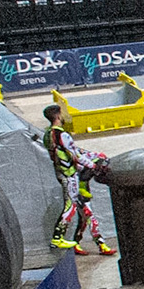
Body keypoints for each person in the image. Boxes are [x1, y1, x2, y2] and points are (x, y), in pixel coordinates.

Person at [42, 104, 113, 255]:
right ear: (58, 116)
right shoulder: (62, 135)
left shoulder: (47, 134)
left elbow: (74, 152)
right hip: (70, 175)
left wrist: (93, 156)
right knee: (71, 206)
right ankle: (58, 237)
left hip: (62, 173)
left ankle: (93, 244)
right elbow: (75, 155)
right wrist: (93, 165)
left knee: (85, 215)